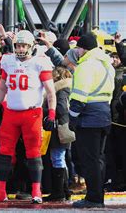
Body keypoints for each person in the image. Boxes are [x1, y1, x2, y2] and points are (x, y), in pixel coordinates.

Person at [0, 30, 56, 204]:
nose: (20, 48)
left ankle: (36, 191)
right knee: (4, 152)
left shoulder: (40, 63)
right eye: (18, 45)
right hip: (11, 113)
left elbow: (50, 92)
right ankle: (0, 191)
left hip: (32, 114)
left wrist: (52, 113)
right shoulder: (8, 61)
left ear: (31, 46)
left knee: (33, 152)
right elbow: (2, 89)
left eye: (24, 45)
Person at [68, 32, 115, 208]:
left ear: (83, 48)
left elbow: (79, 97)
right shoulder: (106, 64)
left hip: (89, 118)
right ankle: (97, 196)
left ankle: (93, 198)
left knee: (90, 160)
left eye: (78, 48)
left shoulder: (86, 66)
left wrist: (71, 118)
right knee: (99, 158)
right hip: (104, 113)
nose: (77, 52)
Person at [42, 66, 73, 202]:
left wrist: (46, 112)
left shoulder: (60, 90)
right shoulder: (68, 88)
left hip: (59, 128)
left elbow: (60, 108)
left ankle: (59, 192)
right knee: (61, 158)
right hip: (65, 127)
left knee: (57, 159)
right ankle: (64, 190)